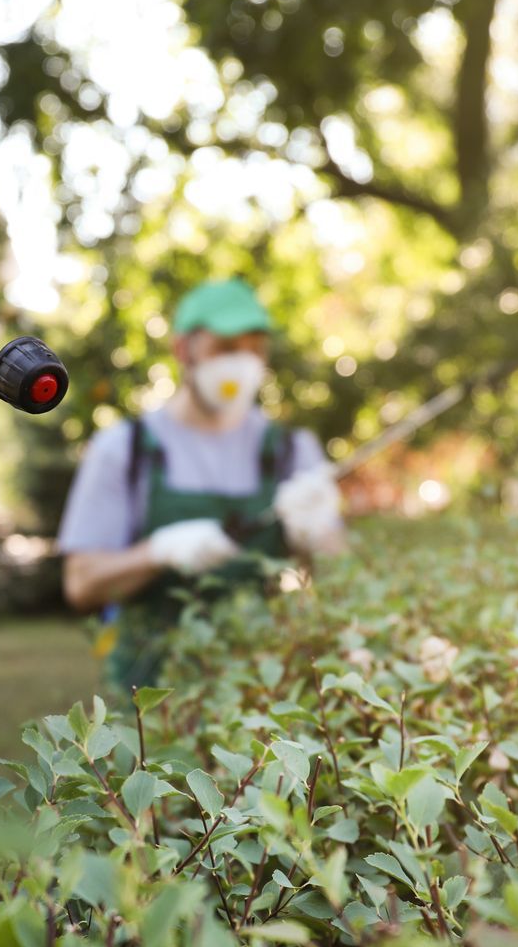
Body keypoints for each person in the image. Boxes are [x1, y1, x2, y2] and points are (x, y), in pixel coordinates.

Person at [55, 276, 347, 689]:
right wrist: (159, 552)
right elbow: (80, 584)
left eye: (255, 349)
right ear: (182, 350)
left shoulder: (292, 451)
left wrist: (317, 532)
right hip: (153, 696)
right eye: (226, 349)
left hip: (263, 691)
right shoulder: (125, 449)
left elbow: (342, 581)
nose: (243, 363)